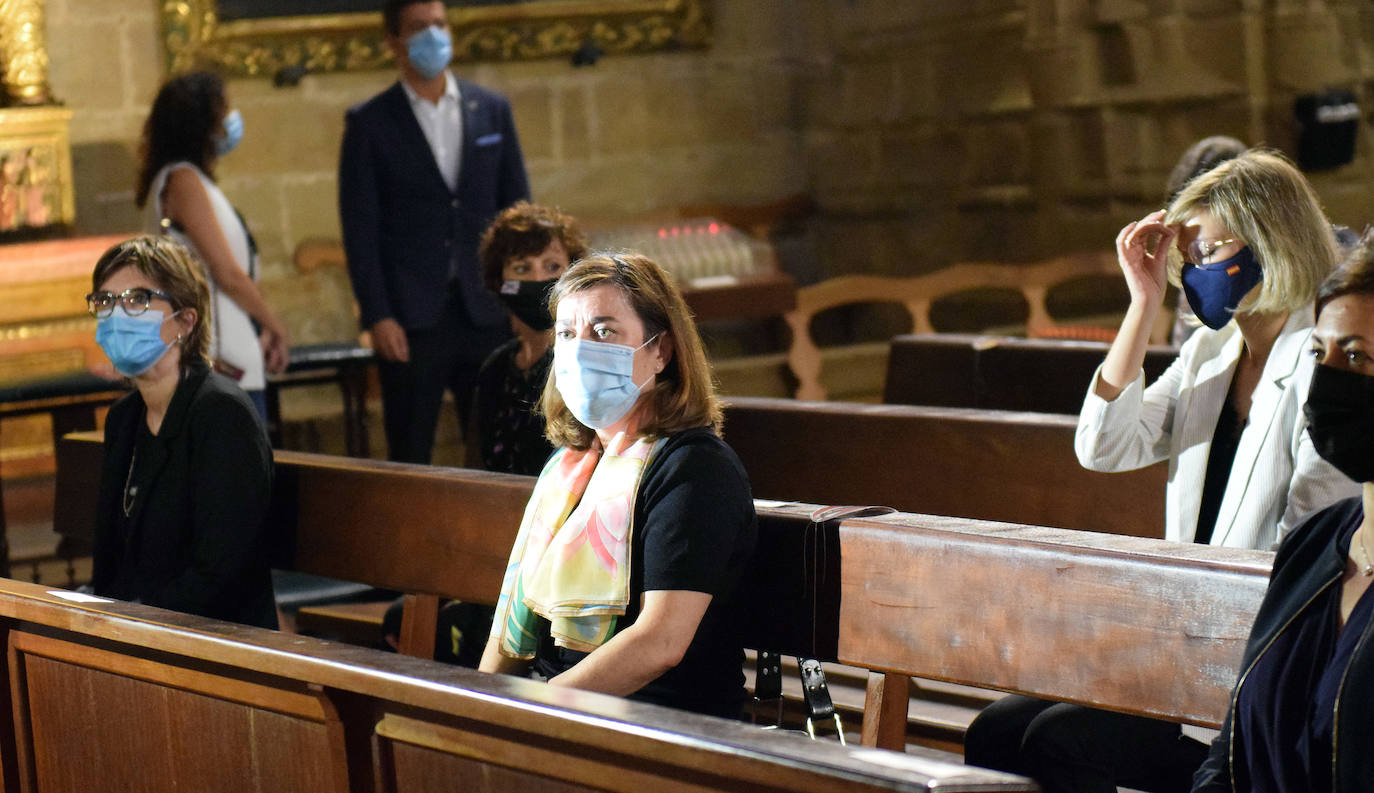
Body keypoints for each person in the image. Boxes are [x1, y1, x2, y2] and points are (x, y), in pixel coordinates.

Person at [964, 150, 1359, 793]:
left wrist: (1185, 648)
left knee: (1059, 745)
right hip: (1183, 643)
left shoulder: (1320, 361)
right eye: (1188, 259)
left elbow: (1307, 546)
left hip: (1253, 662)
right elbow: (1104, 446)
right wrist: (1141, 302)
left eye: (1206, 252)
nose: (1194, 271)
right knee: (997, 732)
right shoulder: (1211, 351)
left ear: (1267, 242)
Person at [478, 253, 758, 718]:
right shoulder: (570, 468)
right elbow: (508, 630)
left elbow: (659, 642)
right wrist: (475, 709)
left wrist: (531, 715)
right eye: (568, 333)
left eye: (604, 332)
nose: (580, 349)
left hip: (666, 724)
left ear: (660, 351)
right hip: (571, 710)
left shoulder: (694, 468)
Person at [1193, 231, 1374, 791]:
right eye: (1318, 353)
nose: (1328, 378)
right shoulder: (1316, 544)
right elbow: (1231, 752)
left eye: (1357, 356)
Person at [339, 0, 531, 464]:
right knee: (410, 449)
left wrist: (521, 301)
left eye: (440, 25)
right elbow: (360, 229)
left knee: (497, 444)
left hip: (485, 310)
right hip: (411, 318)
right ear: (394, 42)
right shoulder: (369, 123)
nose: (434, 35)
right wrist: (378, 315)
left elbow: (518, 215)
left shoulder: (491, 109)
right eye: (419, 27)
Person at [87, 236, 277, 629]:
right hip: (145, 632)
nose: (117, 315)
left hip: (219, 639)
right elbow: (109, 563)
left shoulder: (221, 413)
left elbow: (222, 571)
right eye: (105, 302)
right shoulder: (124, 419)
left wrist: (136, 625)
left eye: (136, 299)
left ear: (186, 321)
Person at [136, 71, 290, 420]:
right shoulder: (183, 180)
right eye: (224, 111)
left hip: (228, 355)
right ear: (202, 123)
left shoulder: (185, 178)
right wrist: (274, 323)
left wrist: (259, 327)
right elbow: (227, 273)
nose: (230, 121)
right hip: (217, 360)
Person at [472, 201, 589, 475]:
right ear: (499, 281)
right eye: (522, 269)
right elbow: (475, 464)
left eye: (552, 266)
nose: (540, 280)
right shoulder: (496, 368)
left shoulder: (584, 361)